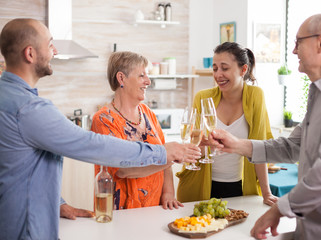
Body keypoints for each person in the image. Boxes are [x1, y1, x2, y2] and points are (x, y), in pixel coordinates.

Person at [0, 18, 200, 240]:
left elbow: (23, 165)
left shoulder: (8, 97)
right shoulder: (29, 109)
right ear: (30, 54)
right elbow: (93, 145)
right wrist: (164, 152)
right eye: (49, 45)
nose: (55, 51)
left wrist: (58, 203)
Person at [212, 14, 321, 240]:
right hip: (309, 228)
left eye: (298, 42)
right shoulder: (320, 94)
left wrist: (279, 208)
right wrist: (239, 145)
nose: (293, 51)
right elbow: (293, 146)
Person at [176, 42, 277, 206]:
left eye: (225, 68)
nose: (218, 75)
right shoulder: (202, 98)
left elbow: (260, 147)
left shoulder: (255, 96)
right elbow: (194, 148)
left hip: (240, 187)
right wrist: (202, 145)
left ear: (243, 70)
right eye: (215, 69)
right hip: (201, 185)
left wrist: (266, 192)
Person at [92, 51, 185, 210]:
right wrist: (169, 158)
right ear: (121, 78)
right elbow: (123, 170)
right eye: (142, 75)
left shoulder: (148, 113)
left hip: (155, 209)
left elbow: (164, 152)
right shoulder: (104, 120)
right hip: (122, 213)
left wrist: (168, 193)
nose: (148, 81)